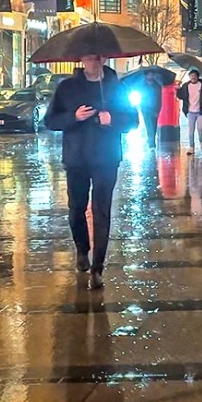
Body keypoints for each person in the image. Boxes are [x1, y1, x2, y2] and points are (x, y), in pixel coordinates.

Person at [44, 55, 137, 290]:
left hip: (106, 158)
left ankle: (98, 268)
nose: (94, 62)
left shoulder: (116, 87)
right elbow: (50, 121)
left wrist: (112, 119)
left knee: (101, 211)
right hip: (77, 158)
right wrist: (73, 117)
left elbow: (133, 121)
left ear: (103, 58)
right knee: (76, 207)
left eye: (97, 58)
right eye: (89, 58)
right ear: (82, 60)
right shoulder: (67, 87)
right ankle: (82, 249)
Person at [176, 69, 202, 155]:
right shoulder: (186, 86)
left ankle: (201, 142)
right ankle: (191, 147)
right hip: (190, 111)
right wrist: (178, 89)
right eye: (191, 75)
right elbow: (180, 96)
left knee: (200, 128)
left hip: (201, 110)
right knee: (191, 130)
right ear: (189, 77)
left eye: (194, 75)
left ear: (197, 76)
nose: (193, 77)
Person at [137, 71, 163, 148]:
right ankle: (151, 142)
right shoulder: (142, 85)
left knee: (154, 125)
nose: (150, 76)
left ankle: (151, 139)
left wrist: (158, 109)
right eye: (149, 75)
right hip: (145, 108)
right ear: (146, 76)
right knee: (149, 125)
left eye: (152, 74)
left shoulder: (157, 86)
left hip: (155, 107)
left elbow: (159, 99)